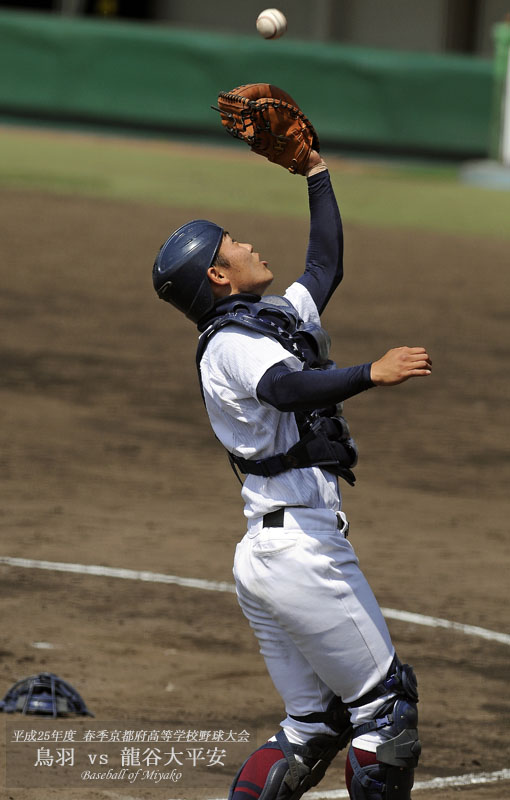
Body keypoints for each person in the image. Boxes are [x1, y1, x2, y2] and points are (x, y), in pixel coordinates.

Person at [152, 148, 430, 800]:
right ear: (219, 275)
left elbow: (325, 264)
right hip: (301, 551)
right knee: (385, 710)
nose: (251, 243)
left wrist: (314, 172)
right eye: (235, 243)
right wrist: (371, 372)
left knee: (314, 725)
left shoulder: (263, 318)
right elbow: (284, 387)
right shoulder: (231, 345)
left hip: (271, 552)